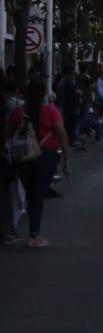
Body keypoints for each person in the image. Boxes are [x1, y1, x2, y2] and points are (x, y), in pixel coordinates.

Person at [7, 77, 72, 247]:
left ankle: (22, 230)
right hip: (46, 155)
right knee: (38, 194)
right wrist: (66, 160)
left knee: (29, 193)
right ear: (44, 93)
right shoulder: (51, 111)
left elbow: (8, 132)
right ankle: (34, 234)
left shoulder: (18, 112)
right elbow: (62, 135)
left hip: (23, 157)